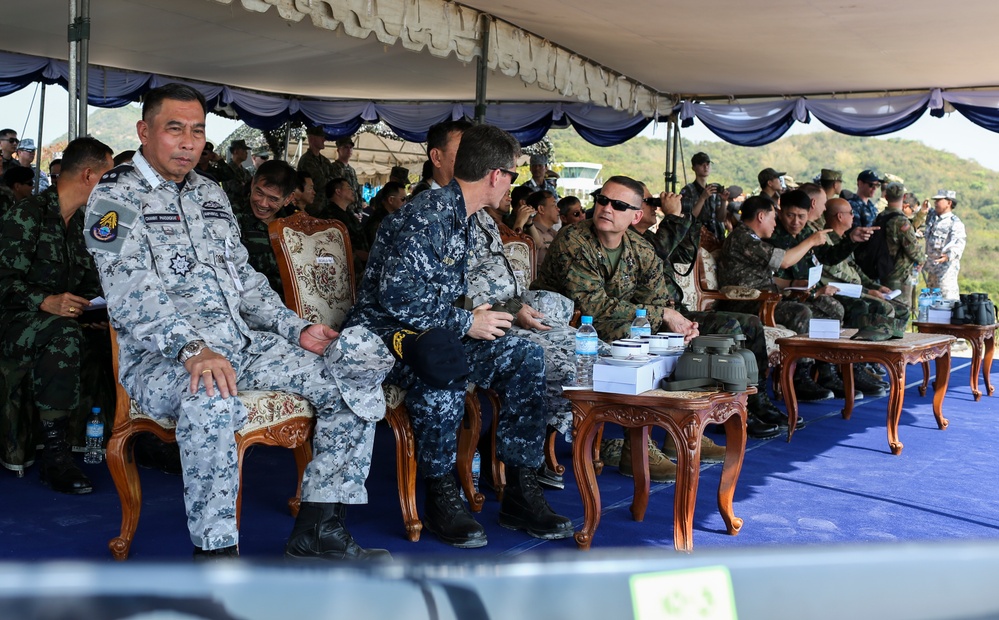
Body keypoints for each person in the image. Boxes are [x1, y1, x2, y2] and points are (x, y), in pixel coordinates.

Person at [83, 83, 395, 561]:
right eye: (174, 129)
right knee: (211, 404)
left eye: (198, 131)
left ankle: (319, 528)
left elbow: (245, 281)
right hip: (165, 360)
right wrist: (193, 350)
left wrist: (295, 329)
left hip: (241, 345)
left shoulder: (211, 193)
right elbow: (128, 294)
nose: (189, 141)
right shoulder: (114, 197)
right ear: (144, 131)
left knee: (348, 376)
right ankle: (216, 557)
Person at [346, 123, 573, 549]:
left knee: (523, 355)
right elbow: (397, 298)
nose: (513, 185)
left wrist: (477, 316)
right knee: (444, 362)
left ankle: (521, 487)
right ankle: (439, 490)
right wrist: (465, 322)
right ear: (494, 176)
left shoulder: (465, 217)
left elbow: (446, 294)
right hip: (388, 339)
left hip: (437, 331)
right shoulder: (426, 215)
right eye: (513, 175)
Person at [0, 136, 114, 495]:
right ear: (88, 175)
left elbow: (90, 283)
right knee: (63, 334)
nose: (112, 188)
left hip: (56, 320)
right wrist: (44, 300)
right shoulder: (27, 214)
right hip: (12, 322)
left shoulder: (82, 226)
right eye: (108, 178)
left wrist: (101, 309)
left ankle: (131, 437)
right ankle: (55, 455)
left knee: (108, 332)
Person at [628, 182, 785, 438]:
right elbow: (656, 256)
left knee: (751, 324)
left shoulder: (648, 237)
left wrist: (686, 216)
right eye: (649, 201)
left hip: (676, 312)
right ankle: (728, 409)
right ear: (632, 209)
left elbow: (685, 255)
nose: (655, 205)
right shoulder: (629, 239)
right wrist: (673, 217)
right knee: (729, 327)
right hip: (649, 318)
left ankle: (755, 399)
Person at [234, 160, 298, 300]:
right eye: (259, 193)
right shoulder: (232, 219)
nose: (262, 203)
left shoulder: (295, 226)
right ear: (252, 184)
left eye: (273, 199)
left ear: (288, 199)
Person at [923, 189, 966, 300]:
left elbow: (959, 242)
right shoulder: (933, 218)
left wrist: (948, 256)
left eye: (939, 200)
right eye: (935, 200)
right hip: (932, 269)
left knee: (946, 301)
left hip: (946, 271)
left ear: (949, 203)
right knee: (931, 302)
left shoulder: (954, 223)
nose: (936, 203)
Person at [679, 152, 727, 239]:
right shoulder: (688, 190)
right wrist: (702, 198)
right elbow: (688, 218)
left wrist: (724, 201)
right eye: (701, 164)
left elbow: (721, 218)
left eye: (708, 163)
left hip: (716, 237)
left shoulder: (714, 189)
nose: (706, 167)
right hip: (696, 238)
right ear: (694, 168)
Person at [298, 126, 335, 214]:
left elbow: (334, 180)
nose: (324, 139)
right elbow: (318, 182)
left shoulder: (325, 161)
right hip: (312, 209)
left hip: (325, 208)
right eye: (321, 136)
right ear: (312, 139)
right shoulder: (306, 160)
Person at [364, 180, 406, 246]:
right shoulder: (379, 222)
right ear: (391, 200)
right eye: (403, 199)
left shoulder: (390, 218)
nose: (405, 202)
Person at [329, 136, 363, 216]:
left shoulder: (352, 170)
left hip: (354, 213)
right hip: (340, 212)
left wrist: (359, 211)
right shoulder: (332, 168)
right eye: (345, 147)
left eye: (351, 147)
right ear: (338, 150)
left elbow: (357, 191)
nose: (349, 150)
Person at [526, 189, 558, 265]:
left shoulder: (553, 233)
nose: (558, 209)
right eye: (554, 205)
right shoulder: (531, 232)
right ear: (541, 209)